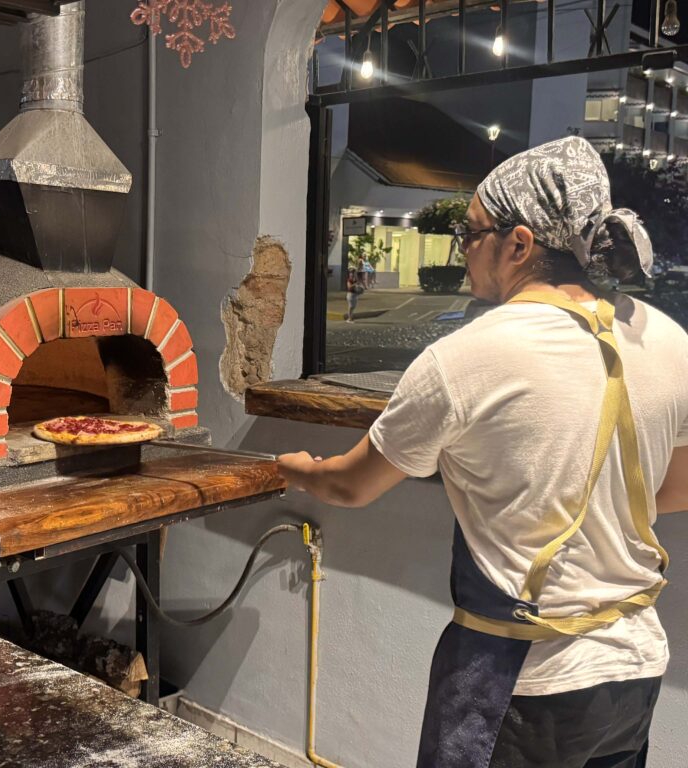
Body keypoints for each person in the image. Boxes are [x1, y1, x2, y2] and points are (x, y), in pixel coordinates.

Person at [277, 136, 688, 768]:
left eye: (470, 235)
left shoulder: (468, 356)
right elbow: (678, 488)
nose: (463, 253)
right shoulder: (666, 338)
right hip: (632, 670)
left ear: (519, 243)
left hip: (520, 679)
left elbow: (351, 486)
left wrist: (295, 471)